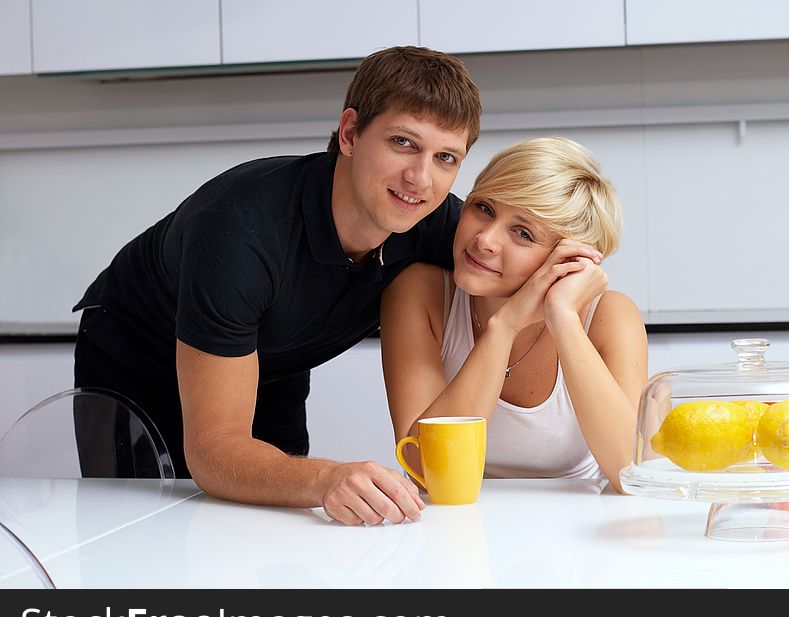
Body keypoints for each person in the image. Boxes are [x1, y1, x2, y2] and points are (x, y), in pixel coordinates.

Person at [71, 46, 482, 525]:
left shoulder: (431, 221)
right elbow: (213, 451)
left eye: (446, 157)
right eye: (403, 143)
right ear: (350, 134)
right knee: (135, 533)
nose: (420, 178)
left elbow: (523, 260)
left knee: (271, 527)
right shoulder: (241, 232)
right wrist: (326, 477)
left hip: (272, 359)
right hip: (138, 360)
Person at [380, 137, 647, 493]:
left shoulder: (609, 316)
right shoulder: (420, 293)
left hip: (578, 535)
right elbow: (424, 470)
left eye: (522, 233)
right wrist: (504, 327)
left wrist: (563, 318)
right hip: (454, 524)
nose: (485, 239)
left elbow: (633, 477)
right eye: (484, 208)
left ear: (568, 259)